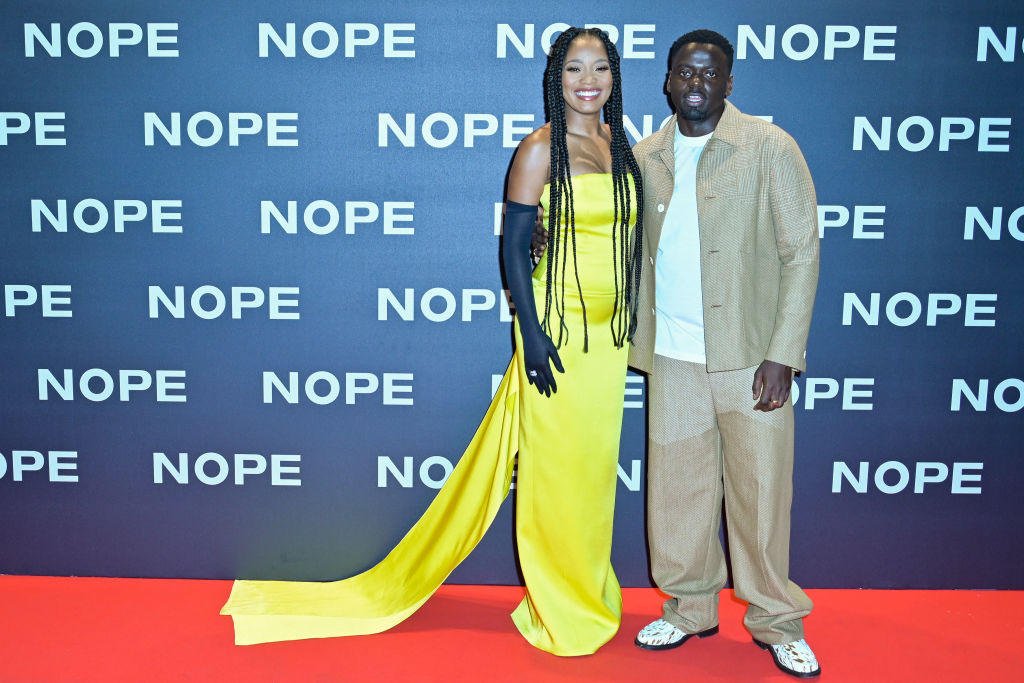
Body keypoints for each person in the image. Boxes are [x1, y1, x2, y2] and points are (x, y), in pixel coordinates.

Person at [220, 27, 644, 657]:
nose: (589, 80)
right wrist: (530, 335)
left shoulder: (621, 143)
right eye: (575, 68)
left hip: (608, 344)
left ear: (614, 76)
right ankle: (563, 611)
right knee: (556, 480)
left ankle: (588, 590)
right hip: (557, 338)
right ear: (555, 79)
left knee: (590, 482)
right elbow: (511, 249)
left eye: (601, 67)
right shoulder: (538, 149)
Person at [627, 30, 821, 678]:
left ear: (731, 83)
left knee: (762, 496)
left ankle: (777, 620)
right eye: (685, 73)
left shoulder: (770, 148)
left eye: (711, 75)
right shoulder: (646, 154)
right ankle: (688, 608)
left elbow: (801, 252)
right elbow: (617, 240)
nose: (697, 85)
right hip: (674, 358)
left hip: (750, 358)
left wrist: (783, 352)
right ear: (668, 80)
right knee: (676, 496)